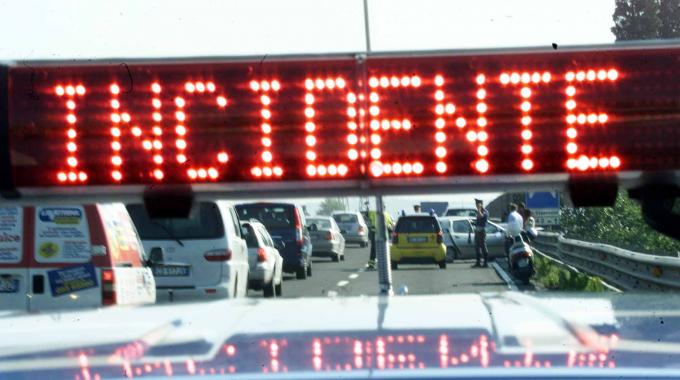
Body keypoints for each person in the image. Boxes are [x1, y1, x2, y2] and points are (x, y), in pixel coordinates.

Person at [472, 198, 490, 268]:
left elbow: (481, 216)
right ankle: (478, 262)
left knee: (483, 247)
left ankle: (485, 263)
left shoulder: (485, 211)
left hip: (482, 231)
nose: (476, 205)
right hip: (477, 231)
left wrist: (479, 209)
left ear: (481, 204)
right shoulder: (478, 211)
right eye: (476, 204)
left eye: (477, 204)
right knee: (477, 247)